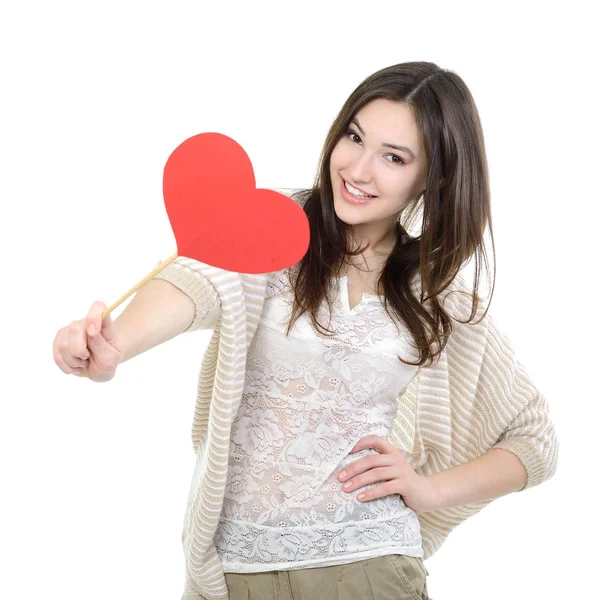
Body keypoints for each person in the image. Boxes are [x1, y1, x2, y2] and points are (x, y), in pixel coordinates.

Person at [52, 61, 559, 600]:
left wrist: (428, 490)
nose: (358, 169)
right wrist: (115, 344)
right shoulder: (274, 224)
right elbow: (196, 281)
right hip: (237, 570)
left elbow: (535, 440)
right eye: (355, 136)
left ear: (431, 179)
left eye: (393, 157)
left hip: (371, 569)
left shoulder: (436, 296)